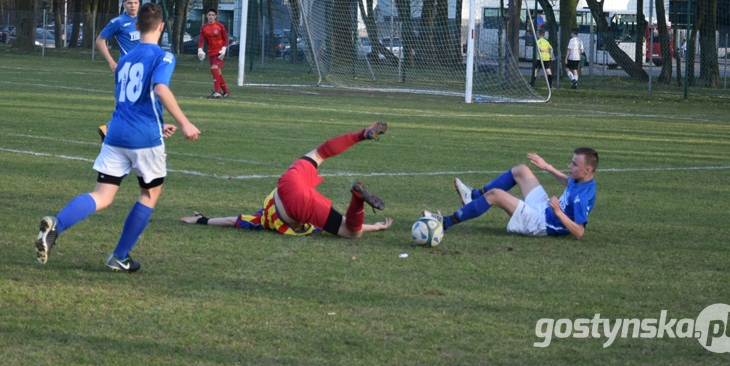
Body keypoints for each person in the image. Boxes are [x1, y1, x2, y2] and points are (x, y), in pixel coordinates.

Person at [35, 3, 201, 272]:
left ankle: (57, 223)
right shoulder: (164, 57)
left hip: (116, 133)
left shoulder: (125, 59)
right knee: (149, 194)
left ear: (136, 27)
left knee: (102, 194)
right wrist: (185, 123)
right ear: (161, 27)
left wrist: (159, 125)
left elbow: (124, 100)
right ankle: (119, 257)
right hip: (143, 137)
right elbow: (159, 89)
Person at [181, 123, 392, 238]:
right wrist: (376, 227)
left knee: (351, 232)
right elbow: (230, 219)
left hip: (297, 199)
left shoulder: (262, 221)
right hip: (287, 182)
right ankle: (360, 134)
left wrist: (202, 220)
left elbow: (230, 221)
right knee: (320, 153)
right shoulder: (262, 215)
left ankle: (357, 197)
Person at [423, 148, 598, 240]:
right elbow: (567, 182)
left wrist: (559, 212)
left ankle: (445, 223)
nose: (569, 166)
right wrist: (547, 167)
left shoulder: (581, 198)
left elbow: (579, 232)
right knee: (521, 170)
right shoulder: (582, 180)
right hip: (545, 210)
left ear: (587, 170)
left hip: (542, 224)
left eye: (574, 164)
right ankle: (474, 196)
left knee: (495, 195)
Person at [96, 0, 141, 140]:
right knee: (123, 102)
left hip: (142, 69)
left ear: (139, 3)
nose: (132, 6)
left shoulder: (144, 21)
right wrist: (111, 61)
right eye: (129, 3)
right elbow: (100, 40)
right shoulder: (119, 22)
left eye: (135, 3)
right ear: (124, 5)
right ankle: (110, 130)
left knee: (137, 102)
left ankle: (110, 130)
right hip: (126, 69)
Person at [198, 8, 230, 99]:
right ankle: (226, 91)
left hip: (219, 52)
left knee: (214, 69)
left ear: (215, 16)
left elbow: (226, 38)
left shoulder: (220, 26)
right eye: (209, 15)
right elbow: (200, 40)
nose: (211, 17)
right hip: (211, 52)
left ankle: (217, 92)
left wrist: (224, 49)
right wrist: (200, 50)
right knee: (218, 72)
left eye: (213, 15)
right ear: (207, 16)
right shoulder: (204, 28)